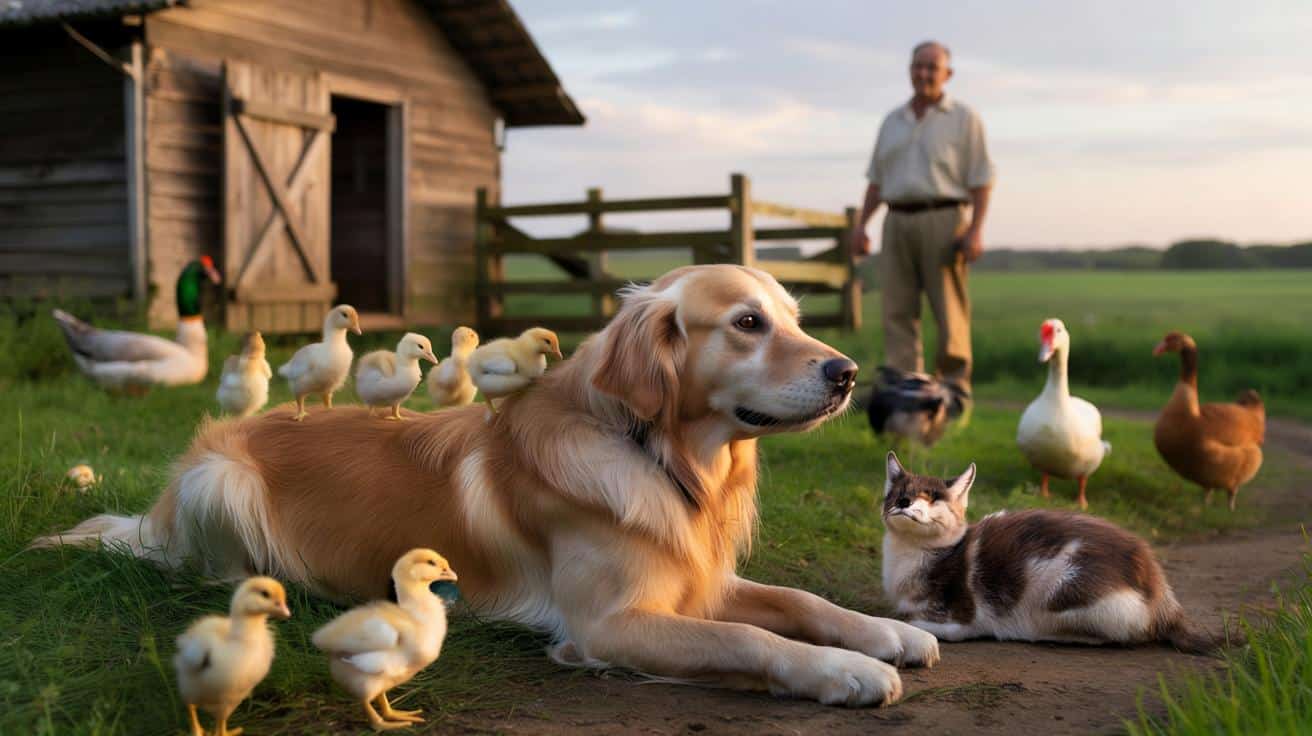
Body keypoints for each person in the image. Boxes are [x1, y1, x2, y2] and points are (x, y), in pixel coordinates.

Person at [855, 40, 995, 404]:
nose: (924, 73)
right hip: (897, 219)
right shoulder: (892, 121)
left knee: (949, 310)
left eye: (932, 67)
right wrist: (861, 225)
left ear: (947, 74)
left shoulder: (964, 119)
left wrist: (976, 229)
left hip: (945, 220)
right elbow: (876, 180)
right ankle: (906, 390)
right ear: (909, 70)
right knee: (897, 310)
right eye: (918, 65)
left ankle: (953, 394)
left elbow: (982, 179)